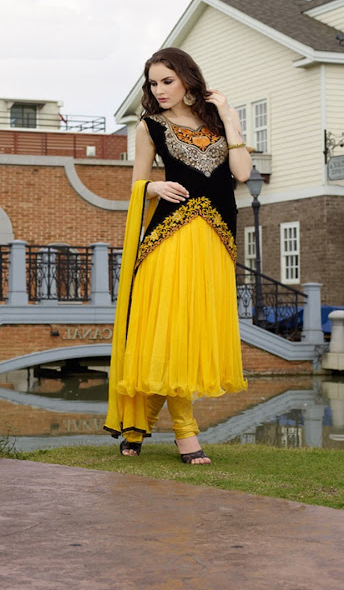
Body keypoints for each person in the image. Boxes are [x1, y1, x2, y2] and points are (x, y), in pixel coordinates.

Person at [104, 47, 252, 464]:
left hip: (215, 241)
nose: (159, 89)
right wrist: (153, 188)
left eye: (167, 80)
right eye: (153, 83)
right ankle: (186, 433)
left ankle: (138, 425)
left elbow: (242, 173)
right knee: (170, 334)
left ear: (188, 78)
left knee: (190, 332)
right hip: (168, 241)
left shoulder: (217, 123)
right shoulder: (149, 126)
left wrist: (230, 119)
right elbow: (137, 183)